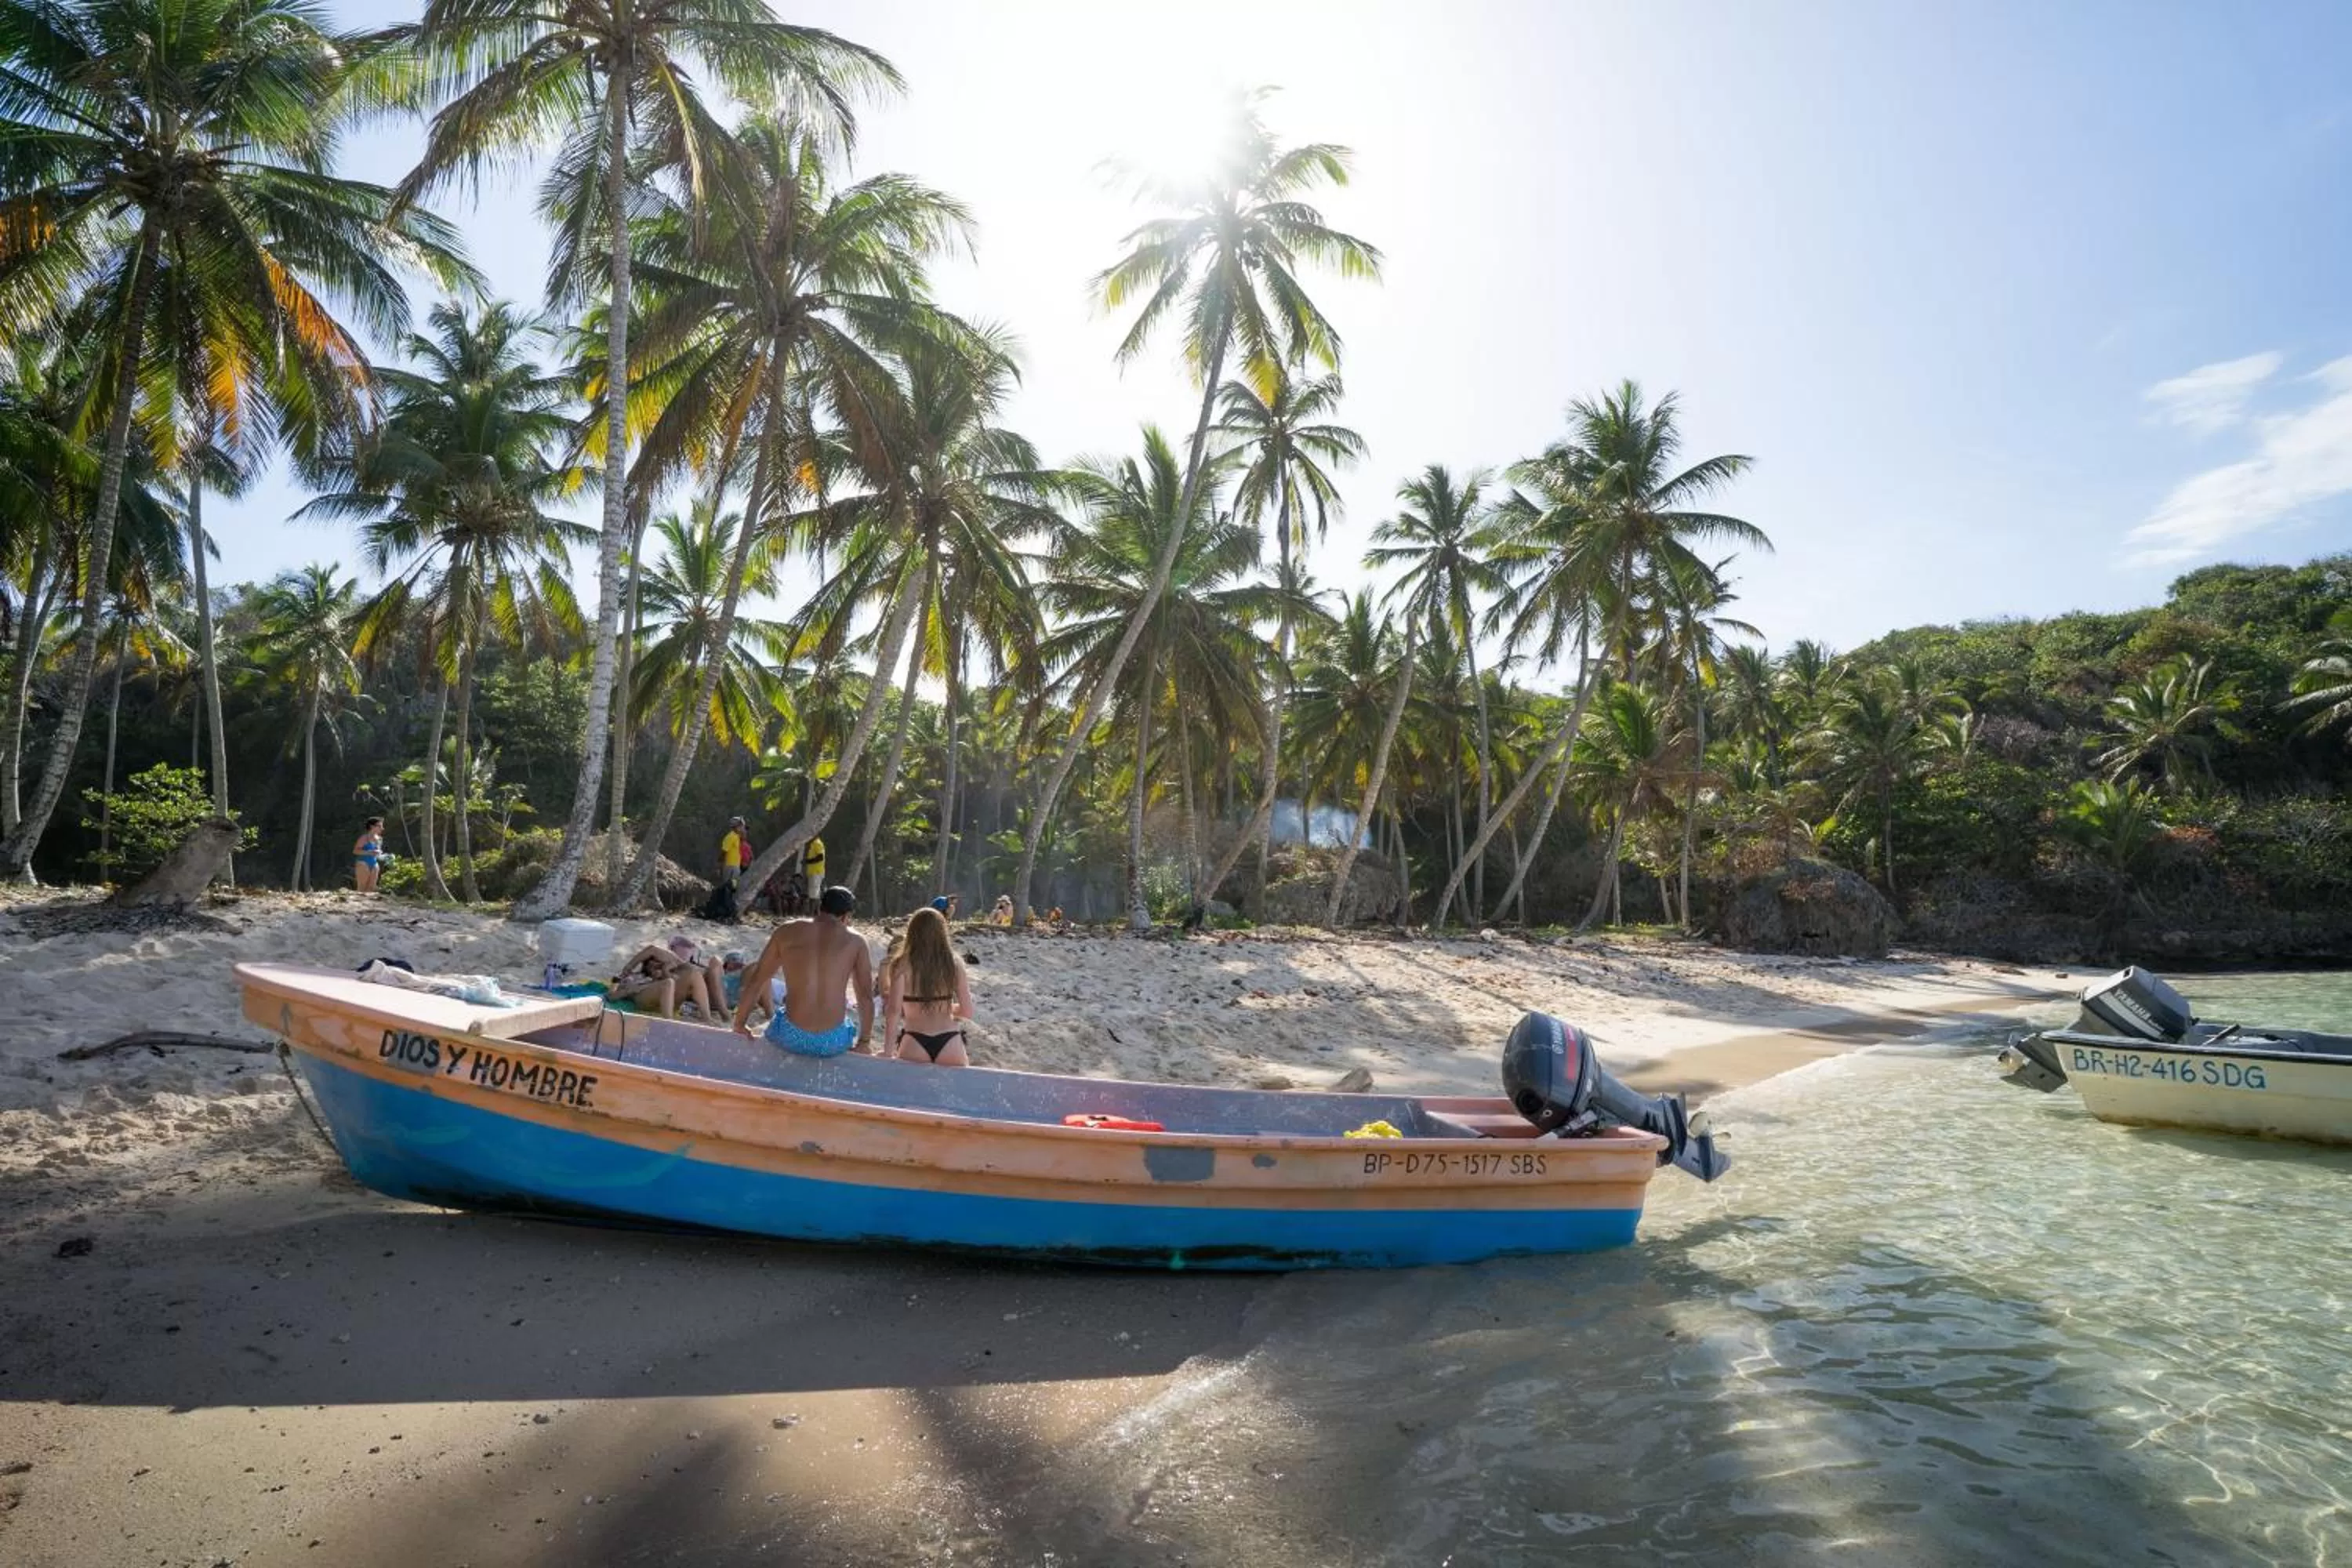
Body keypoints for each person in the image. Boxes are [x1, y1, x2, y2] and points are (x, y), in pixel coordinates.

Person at [734, 885, 873, 1058]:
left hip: (790, 1036)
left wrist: (740, 1023)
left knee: (772, 1022)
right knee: (846, 1025)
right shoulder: (857, 941)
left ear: (820, 908)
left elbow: (757, 980)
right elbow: (865, 996)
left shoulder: (786, 931)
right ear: (846, 917)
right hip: (832, 1042)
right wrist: (864, 1042)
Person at [880, 906, 975, 1065]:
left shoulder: (901, 964)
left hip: (915, 1039)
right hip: (950, 1041)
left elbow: (894, 1011)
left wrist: (887, 1052)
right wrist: (942, 1007)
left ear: (912, 932)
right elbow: (967, 1012)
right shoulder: (954, 963)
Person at [611, 936, 725, 1020]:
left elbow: (676, 982)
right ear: (646, 966)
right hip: (644, 998)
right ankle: (669, 1021)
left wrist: (666, 971)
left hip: (666, 998)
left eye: (659, 965)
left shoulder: (668, 976)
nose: (656, 967)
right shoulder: (636, 977)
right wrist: (628, 987)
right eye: (652, 964)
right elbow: (611, 995)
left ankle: (707, 1018)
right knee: (669, 983)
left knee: (690, 974)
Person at [351, 818, 387, 893]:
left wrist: (385, 856)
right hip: (363, 863)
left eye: (382, 826)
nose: (382, 828)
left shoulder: (380, 839)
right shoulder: (364, 838)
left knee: (371, 888)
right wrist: (370, 852)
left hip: (374, 864)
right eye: (379, 826)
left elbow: (377, 853)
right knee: (362, 888)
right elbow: (355, 851)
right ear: (372, 826)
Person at [799, 835, 827, 907]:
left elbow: (820, 857)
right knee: (814, 894)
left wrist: (807, 861)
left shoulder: (817, 843)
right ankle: (814, 913)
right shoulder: (813, 844)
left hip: (816, 872)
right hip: (812, 872)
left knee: (813, 895)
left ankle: (811, 914)